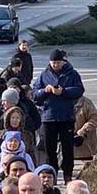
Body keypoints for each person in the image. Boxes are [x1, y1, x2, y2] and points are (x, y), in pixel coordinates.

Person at [31, 49, 85, 183]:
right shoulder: (44, 75)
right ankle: (52, 175)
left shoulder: (72, 74)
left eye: (58, 62)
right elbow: (34, 94)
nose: (55, 65)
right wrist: (46, 90)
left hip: (66, 117)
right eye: (53, 62)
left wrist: (64, 91)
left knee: (67, 148)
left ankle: (68, 175)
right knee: (50, 149)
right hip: (49, 117)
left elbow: (79, 90)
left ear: (62, 62)